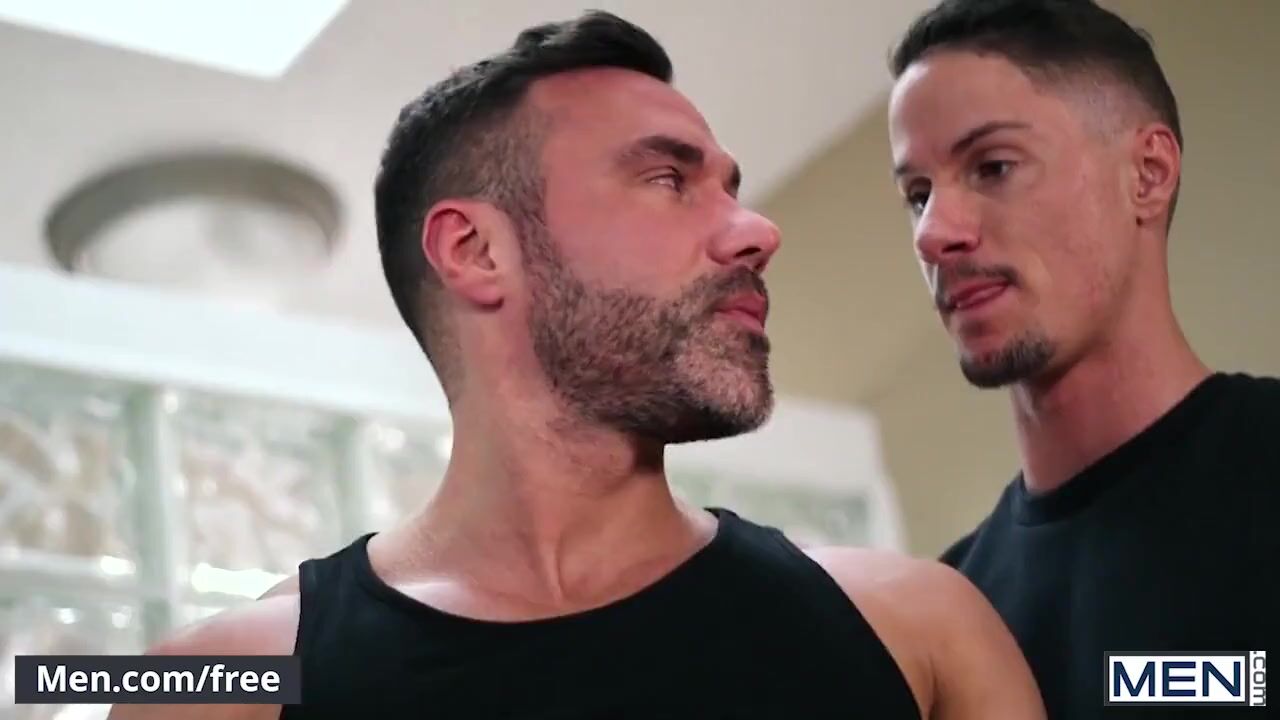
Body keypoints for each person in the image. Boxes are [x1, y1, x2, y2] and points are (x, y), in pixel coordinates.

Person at [111, 11, 1044, 720]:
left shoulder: (919, 630)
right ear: (475, 251)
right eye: (668, 179)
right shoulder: (218, 688)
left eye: (733, 189)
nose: (757, 231)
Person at [886, 0, 1280, 717]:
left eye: (993, 166)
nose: (934, 233)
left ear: (1148, 175)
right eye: (918, 196)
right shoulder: (959, 609)